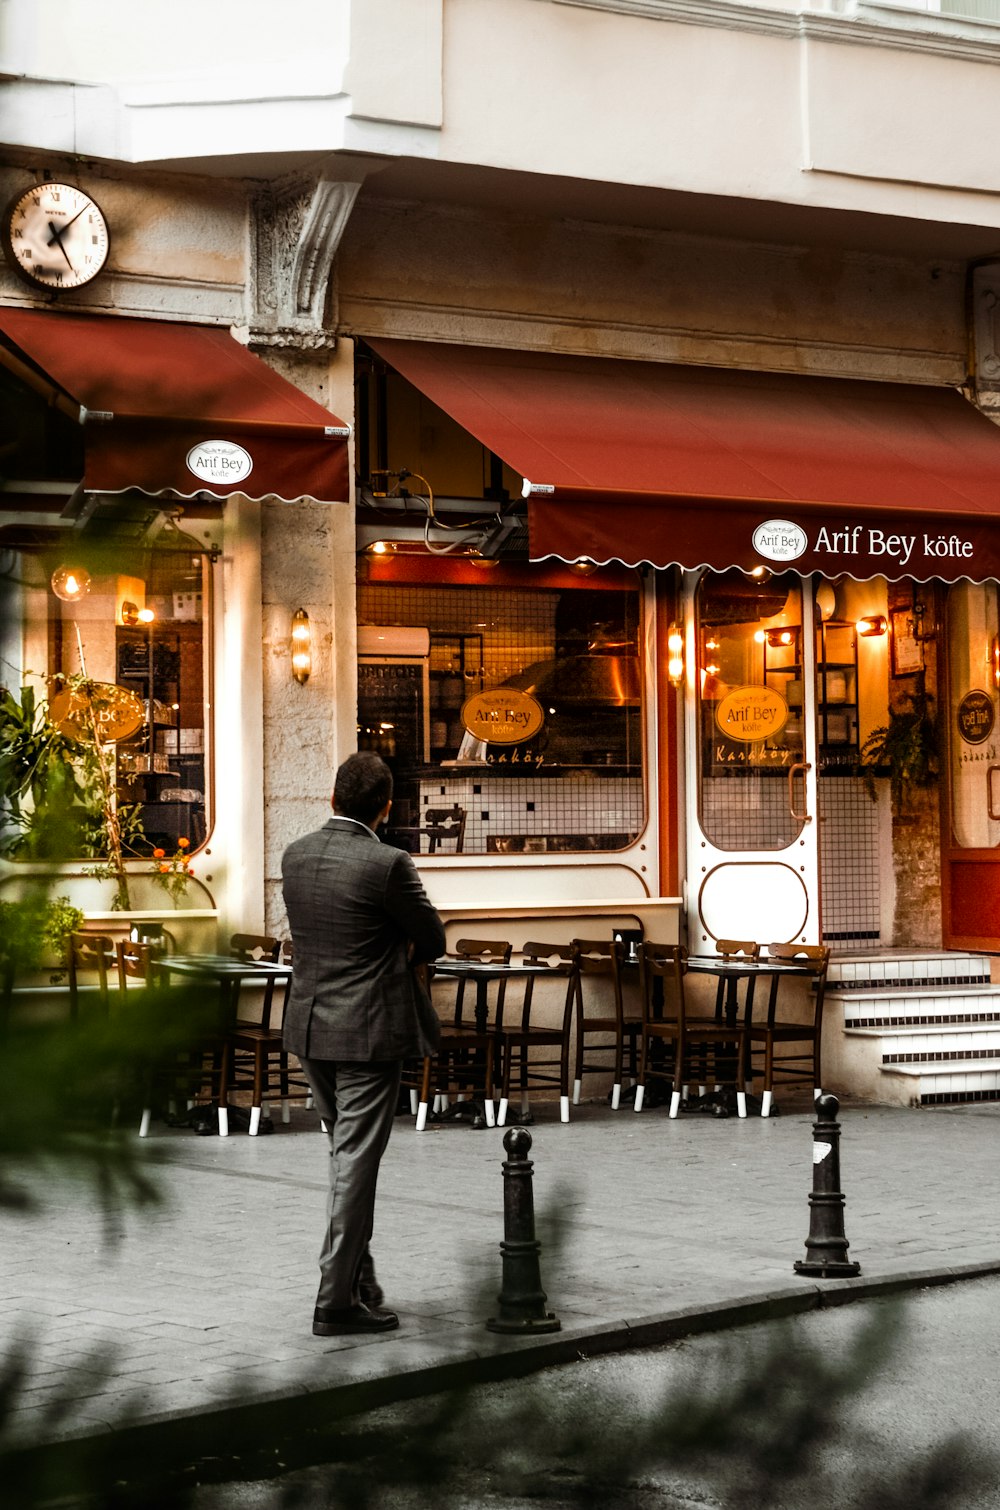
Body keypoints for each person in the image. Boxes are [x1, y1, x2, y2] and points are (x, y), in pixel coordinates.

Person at [281, 751, 446, 1336]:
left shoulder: (295, 856)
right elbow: (433, 939)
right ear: (387, 807)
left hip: (308, 1027)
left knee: (344, 1158)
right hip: (368, 1032)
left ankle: (357, 1278)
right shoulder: (388, 863)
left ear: (331, 799)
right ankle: (336, 1300)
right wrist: (398, 948)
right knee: (354, 1162)